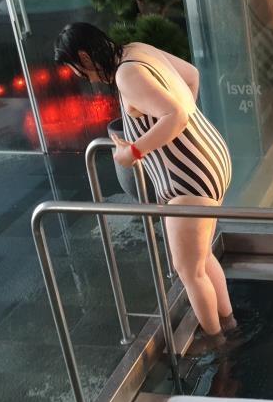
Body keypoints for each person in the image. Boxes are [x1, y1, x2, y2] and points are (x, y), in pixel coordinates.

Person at [54, 23, 235, 343]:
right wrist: (178, 140)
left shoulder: (126, 75)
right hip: (208, 161)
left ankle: (218, 345)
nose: (85, 79)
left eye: (78, 70)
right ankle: (229, 325)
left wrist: (134, 152)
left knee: (188, 271)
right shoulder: (137, 50)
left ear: (84, 57)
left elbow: (175, 115)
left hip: (189, 179)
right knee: (201, 259)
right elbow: (191, 76)